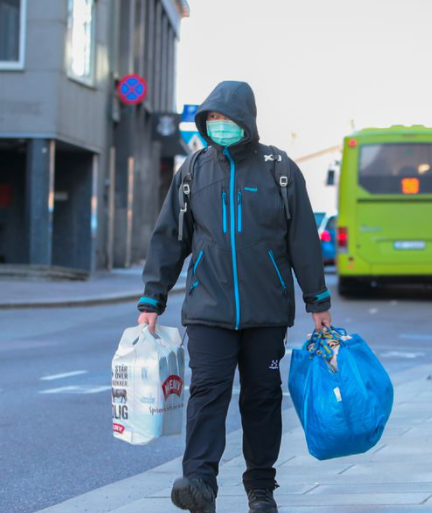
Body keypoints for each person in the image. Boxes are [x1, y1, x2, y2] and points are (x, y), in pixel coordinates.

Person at [136, 81, 331, 513]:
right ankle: (199, 482)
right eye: (213, 120)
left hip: (266, 312)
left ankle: (261, 487)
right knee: (206, 392)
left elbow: (303, 240)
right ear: (205, 124)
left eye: (227, 119)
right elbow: (169, 239)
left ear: (247, 120)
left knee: (261, 397)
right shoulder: (192, 172)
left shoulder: (279, 169)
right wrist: (152, 301)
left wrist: (317, 302)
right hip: (208, 310)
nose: (220, 126)